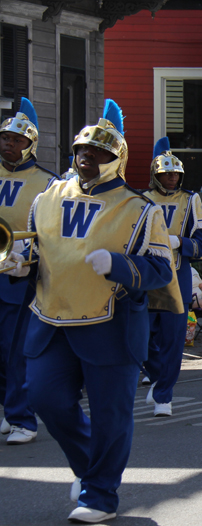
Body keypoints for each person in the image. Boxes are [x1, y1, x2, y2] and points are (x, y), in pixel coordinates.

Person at [5, 99, 175, 523]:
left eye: (97, 153)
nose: (86, 158)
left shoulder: (141, 209)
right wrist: (17, 265)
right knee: (45, 399)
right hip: (50, 318)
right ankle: (92, 471)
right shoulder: (47, 196)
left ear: (117, 159)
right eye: (81, 150)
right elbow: (35, 250)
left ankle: (101, 495)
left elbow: (159, 268)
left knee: (110, 415)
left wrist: (118, 265)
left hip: (110, 324)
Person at [0, 97, 57, 445]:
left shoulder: (48, 183)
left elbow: (53, 234)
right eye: (4, 138)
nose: (8, 144)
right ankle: (6, 409)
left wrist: (28, 258)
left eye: (15, 140)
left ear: (30, 144)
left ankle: (23, 418)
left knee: (14, 347)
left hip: (19, 273)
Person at [143, 137, 202, 416]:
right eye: (165, 174)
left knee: (173, 339)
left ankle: (163, 395)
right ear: (155, 175)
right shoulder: (142, 199)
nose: (171, 178)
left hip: (177, 276)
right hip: (146, 276)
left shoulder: (191, 200)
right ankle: (158, 376)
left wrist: (180, 242)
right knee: (141, 338)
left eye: (175, 174)